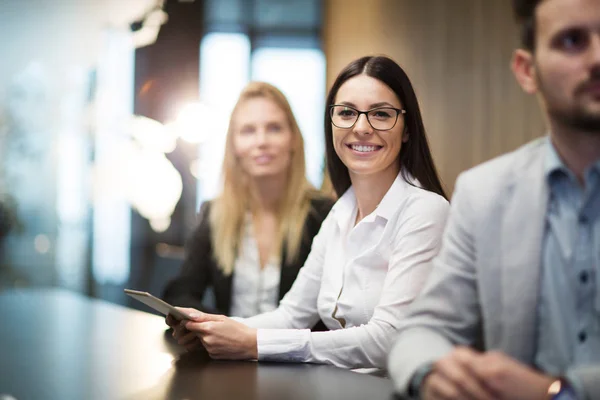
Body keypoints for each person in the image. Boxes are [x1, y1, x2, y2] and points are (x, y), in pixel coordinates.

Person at [167, 55, 449, 370]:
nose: (361, 127)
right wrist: (212, 327)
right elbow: (291, 315)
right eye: (346, 113)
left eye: (381, 114)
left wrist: (255, 342)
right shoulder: (340, 214)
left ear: (407, 129)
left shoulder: (425, 210)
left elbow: (389, 339)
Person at [388, 0, 600, 398]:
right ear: (526, 70)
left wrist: (560, 393)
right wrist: (433, 373)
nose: (598, 57)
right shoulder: (483, 194)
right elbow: (421, 331)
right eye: (573, 40)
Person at [162, 81, 334, 320]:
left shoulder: (325, 215)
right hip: (227, 356)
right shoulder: (215, 213)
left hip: (300, 356)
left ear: (293, 139)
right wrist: (223, 329)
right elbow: (180, 293)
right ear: (234, 145)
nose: (261, 141)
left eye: (274, 128)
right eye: (248, 131)